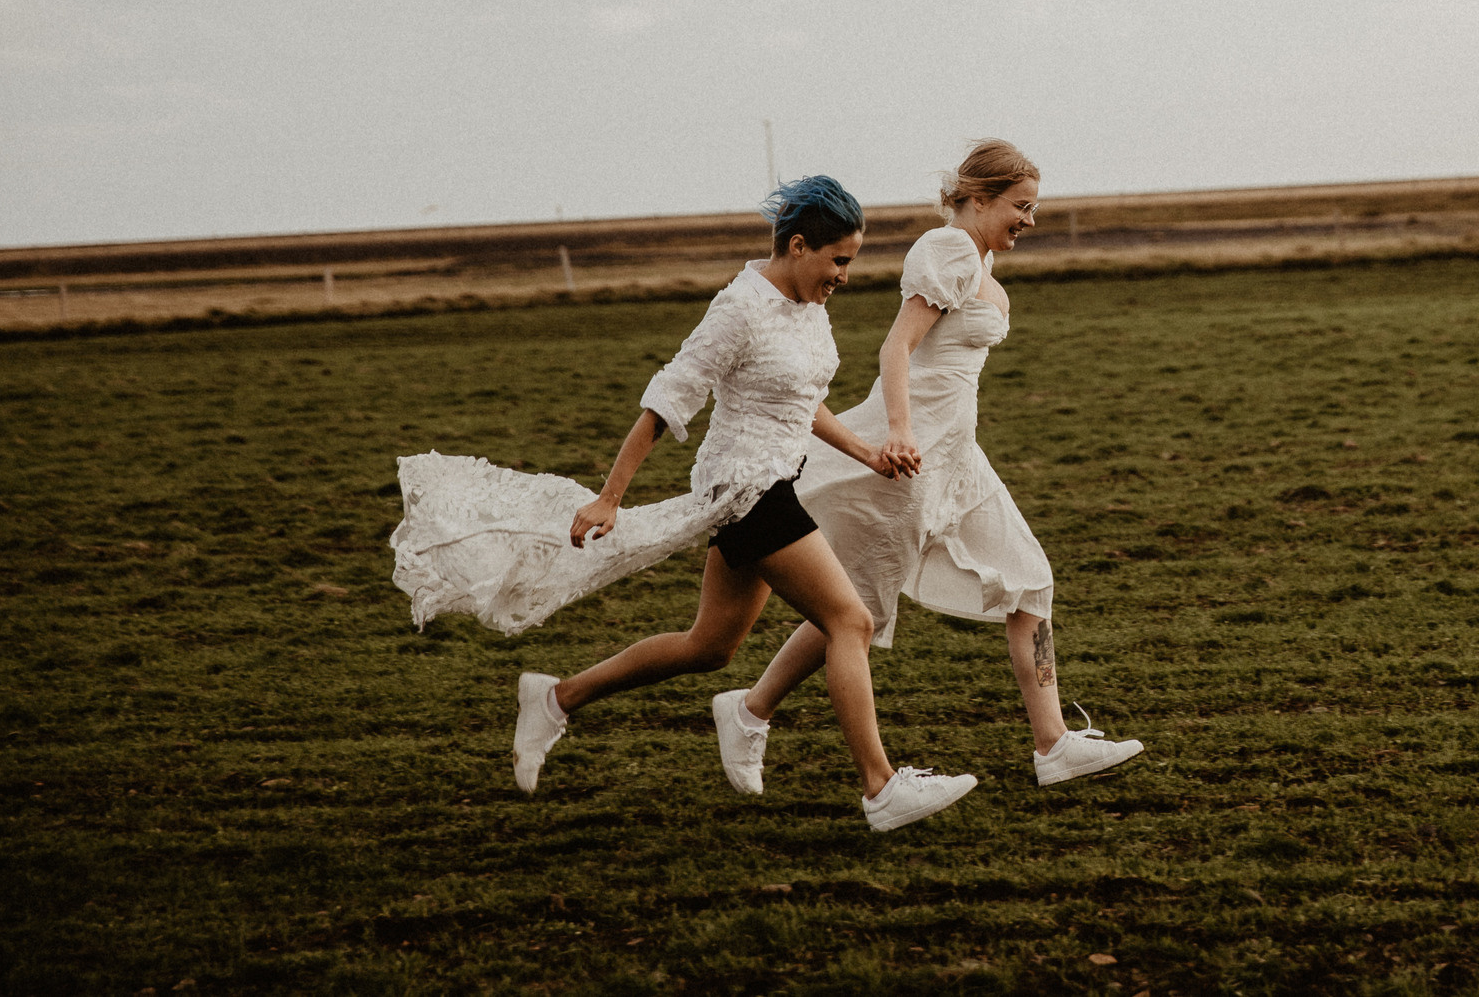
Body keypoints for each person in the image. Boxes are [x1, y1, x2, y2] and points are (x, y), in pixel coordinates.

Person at [388, 176, 976, 832]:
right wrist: (610, 497)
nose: (844, 275)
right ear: (798, 243)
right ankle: (880, 786)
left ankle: (555, 698)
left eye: (852, 261)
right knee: (851, 621)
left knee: (710, 645)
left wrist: (867, 453)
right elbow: (668, 398)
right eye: (838, 259)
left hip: (770, 482)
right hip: (746, 491)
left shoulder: (806, 303)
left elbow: (799, 398)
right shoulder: (740, 308)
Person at [711, 141, 1143, 797]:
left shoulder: (982, 253)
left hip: (960, 458)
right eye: (1020, 206)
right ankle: (750, 709)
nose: (1029, 218)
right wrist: (903, 433)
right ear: (977, 197)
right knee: (857, 609)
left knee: (1029, 579)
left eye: (1034, 207)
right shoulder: (948, 251)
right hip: (911, 457)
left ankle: (1054, 743)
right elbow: (896, 347)